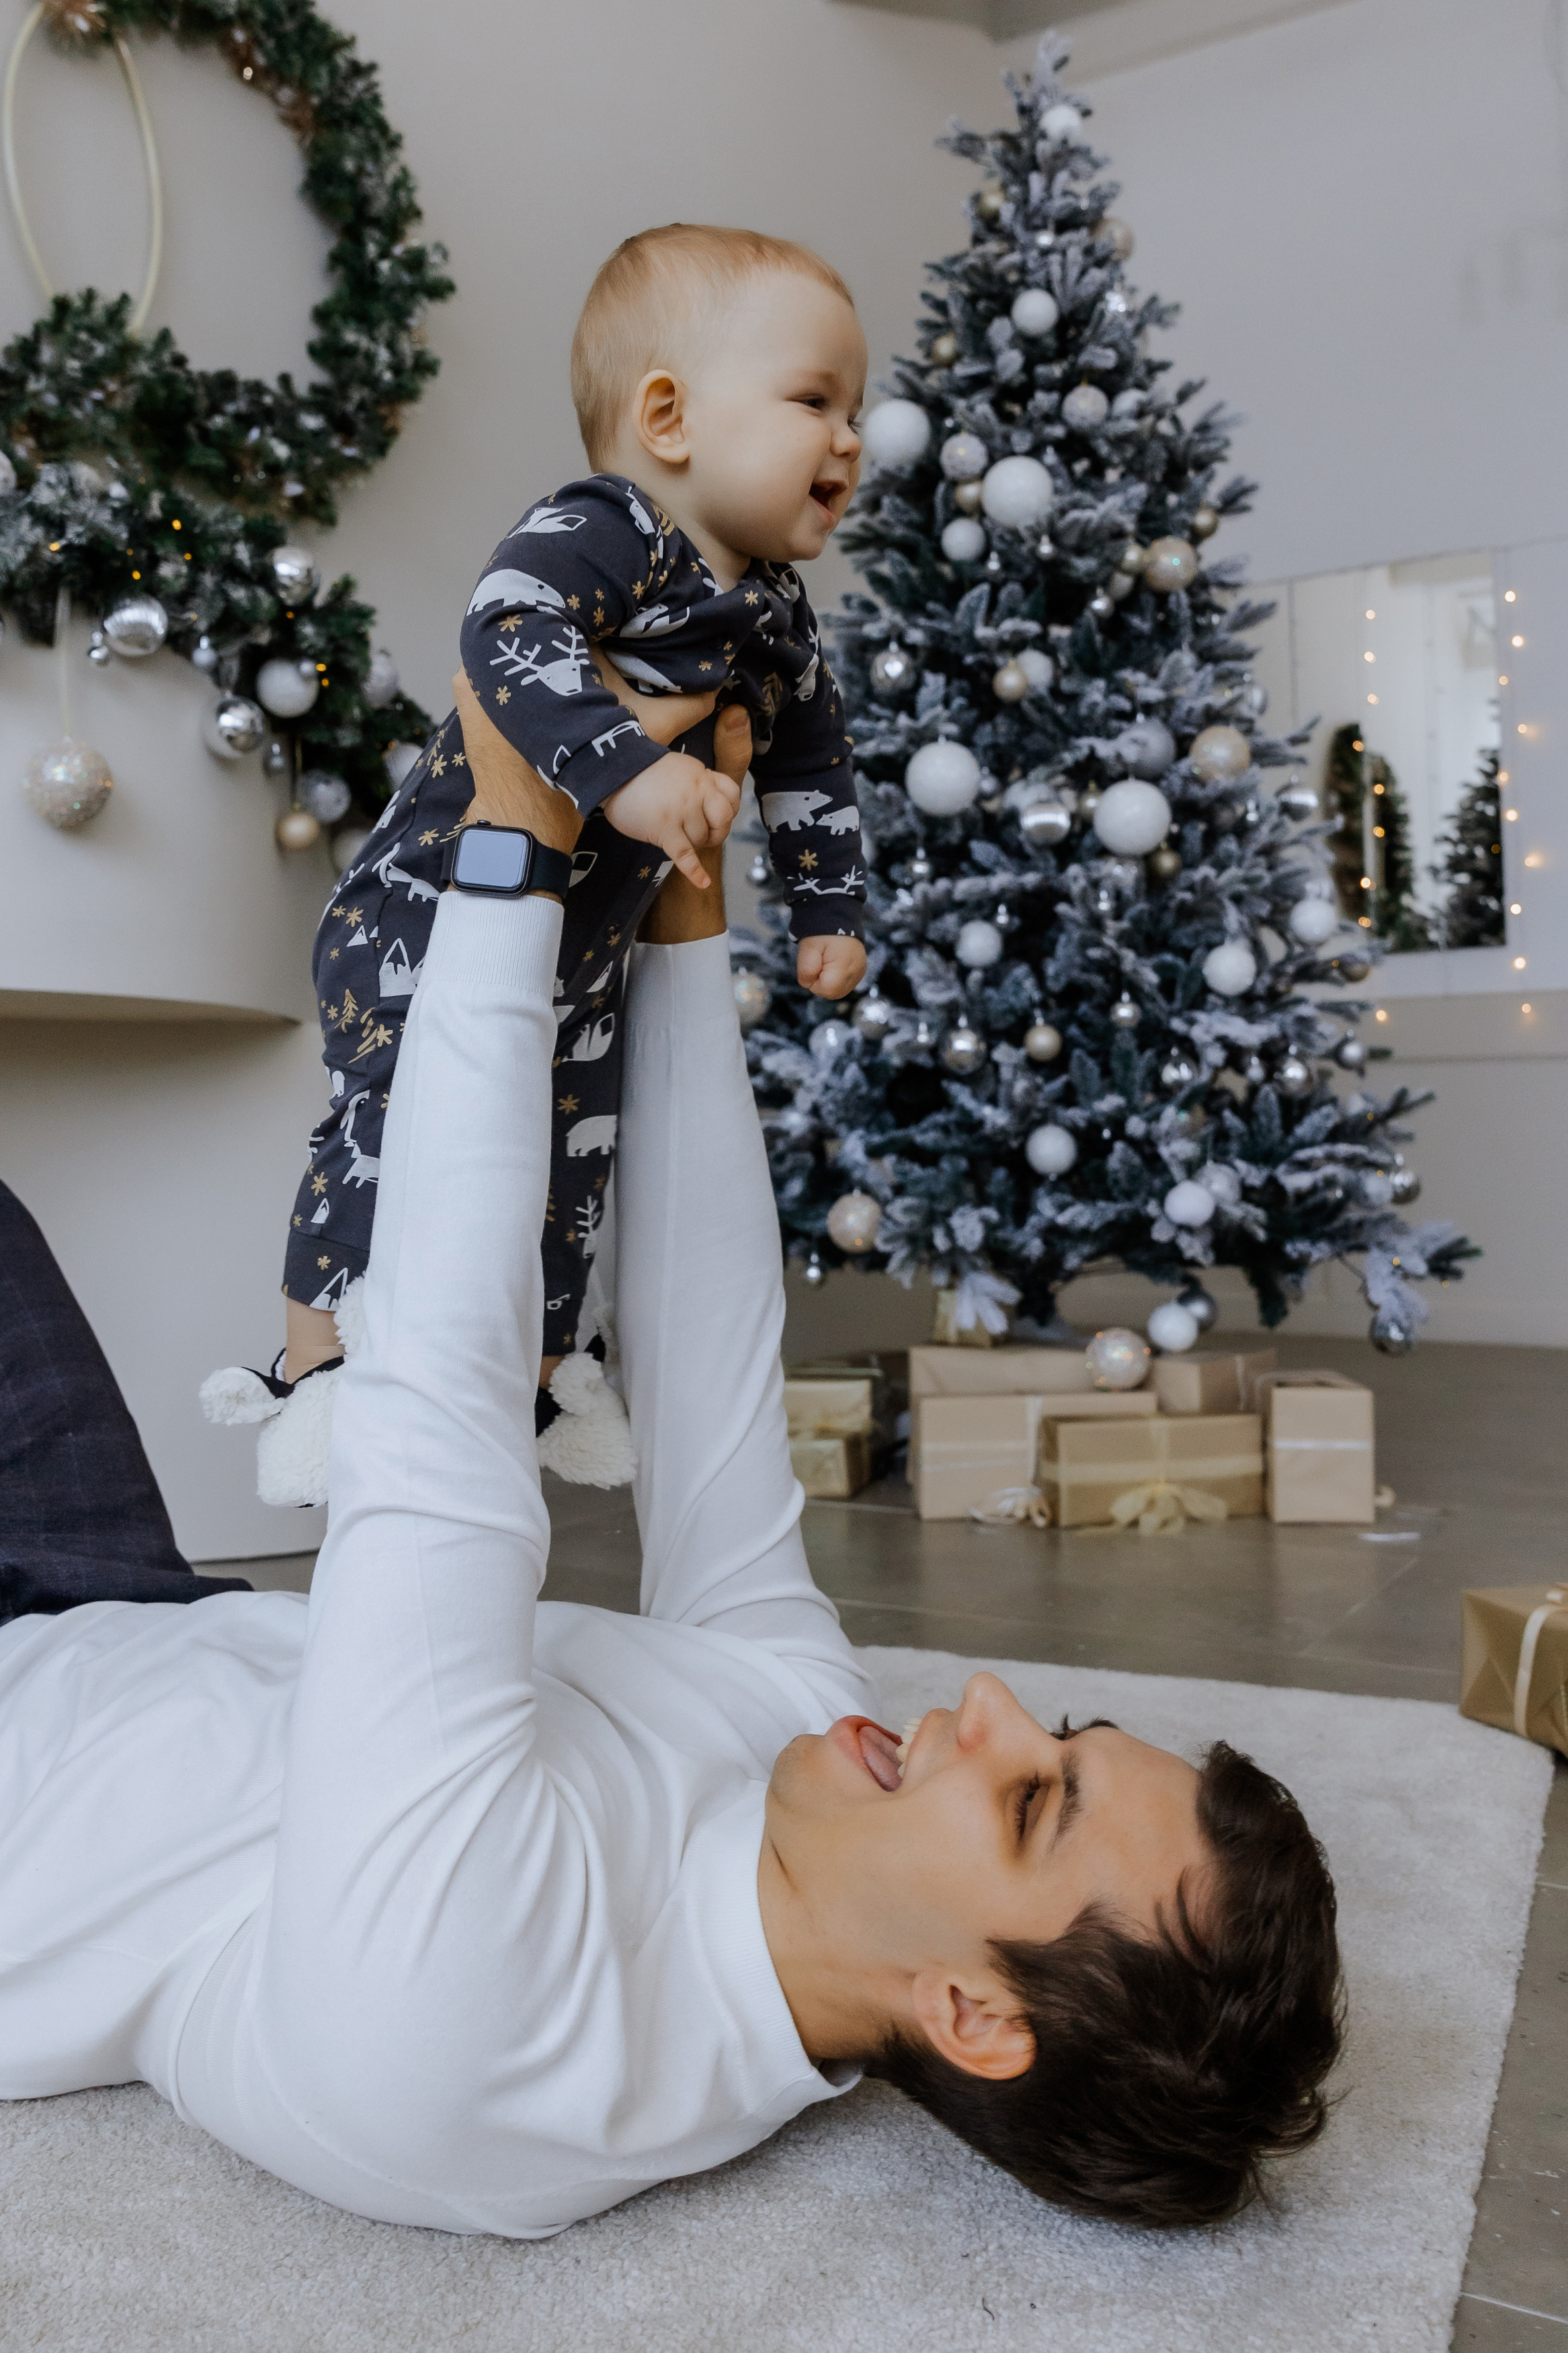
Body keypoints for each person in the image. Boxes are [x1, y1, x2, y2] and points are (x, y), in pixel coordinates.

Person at [0, 680, 1342, 2235]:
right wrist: (688, 900)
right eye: (1062, 1731)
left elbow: (439, 1416)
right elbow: (711, 1347)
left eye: (1031, 1802)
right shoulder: (817, 1753)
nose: (980, 1708)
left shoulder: (482, 2034)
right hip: (137, 1618)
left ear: (974, 2013)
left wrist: (516, 840)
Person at [205, 223, 870, 1507]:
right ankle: (321, 1372)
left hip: (582, 952)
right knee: (396, 1130)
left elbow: (811, 757)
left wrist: (827, 902)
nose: (850, 439)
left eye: (855, 408)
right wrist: (631, 768)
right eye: (813, 401)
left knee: (574, 1153)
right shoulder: (603, 528)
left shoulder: (776, 610)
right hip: (425, 914)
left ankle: (541, 1379)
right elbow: (501, 632)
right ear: (667, 417)